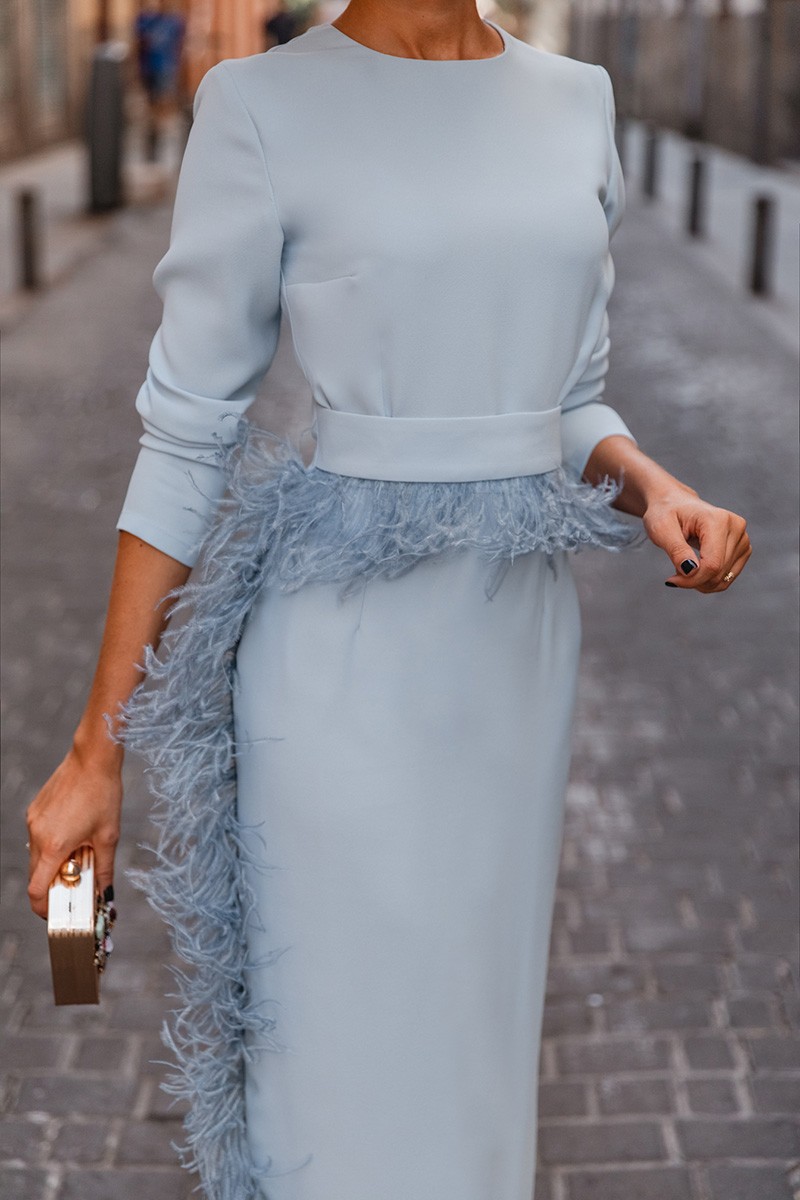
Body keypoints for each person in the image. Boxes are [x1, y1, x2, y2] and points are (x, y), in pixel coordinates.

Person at [26, 2, 752, 1197]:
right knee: (338, 1083)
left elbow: (569, 401)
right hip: (335, 671)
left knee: (471, 1076)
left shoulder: (575, 103)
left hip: (515, 663)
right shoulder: (259, 106)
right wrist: (94, 753)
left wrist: (654, 486)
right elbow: (187, 439)